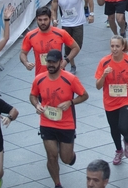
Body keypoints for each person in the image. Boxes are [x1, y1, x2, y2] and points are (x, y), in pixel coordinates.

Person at [30, 49, 89, 188]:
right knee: (51, 156)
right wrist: (37, 105)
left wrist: (71, 102)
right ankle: (57, 184)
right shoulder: (39, 79)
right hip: (47, 122)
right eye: (48, 62)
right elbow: (32, 95)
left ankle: (71, 155)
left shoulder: (70, 79)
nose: (50, 65)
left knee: (66, 159)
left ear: (60, 62)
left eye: (53, 62)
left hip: (66, 123)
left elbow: (84, 95)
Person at [95, 36, 128, 165]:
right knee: (114, 128)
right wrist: (104, 75)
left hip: (127, 98)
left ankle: (127, 140)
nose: (114, 49)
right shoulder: (104, 62)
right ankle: (118, 150)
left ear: (123, 47)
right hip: (110, 101)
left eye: (117, 46)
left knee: (123, 126)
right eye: (112, 46)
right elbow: (98, 86)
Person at [51, 0, 95, 74]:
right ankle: (71, 65)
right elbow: (53, 9)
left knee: (78, 46)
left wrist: (91, 14)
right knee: (68, 48)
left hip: (78, 23)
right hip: (66, 24)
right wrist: (54, 19)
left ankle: (67, 61)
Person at [19, 7, 81, 76]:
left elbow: (76, 48)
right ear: (36, 19)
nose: (43, 22)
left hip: (59, 75)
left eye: (45, 19)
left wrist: (66, 61)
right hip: (41, 76)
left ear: (50, 18)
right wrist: (26, 63)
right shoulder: (30, 36)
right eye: (40, 20)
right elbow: (23, 53)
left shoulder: (61, 33)